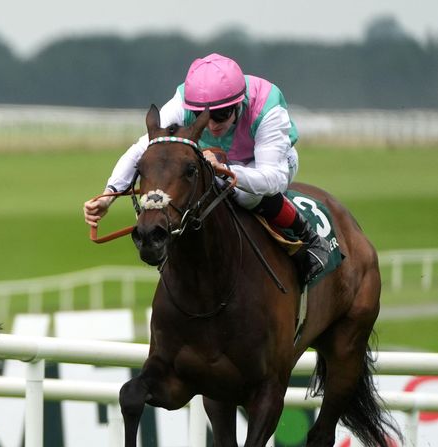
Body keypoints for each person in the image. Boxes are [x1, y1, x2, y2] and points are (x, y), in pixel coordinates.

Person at [83, 53, 330, 285]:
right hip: (212, 161)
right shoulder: (183, 102)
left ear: (238, 104)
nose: (211, 125)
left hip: (269, 163)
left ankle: (310, 238)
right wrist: (109, 195)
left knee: (245, 195)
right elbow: (141, 150)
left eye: (221, 115)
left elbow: (272, 179)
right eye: (202, 115)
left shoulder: (267, 107)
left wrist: (225, 170)